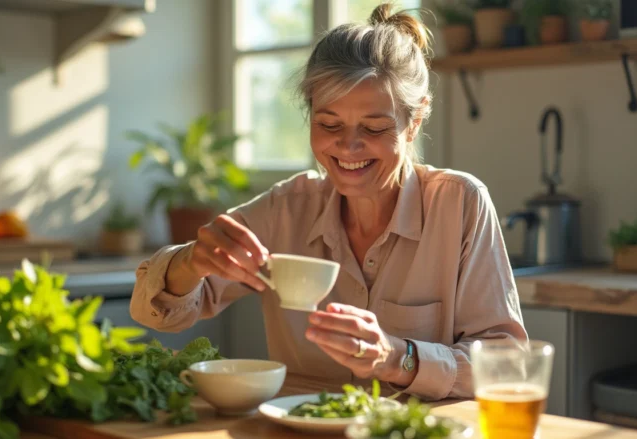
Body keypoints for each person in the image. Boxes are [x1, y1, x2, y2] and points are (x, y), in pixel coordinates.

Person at [130, 2, 527, 401]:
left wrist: (398, 358)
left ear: (414, 123)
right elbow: (159, 312)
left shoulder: (460, 204)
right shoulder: (286, 209)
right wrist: (191, 261)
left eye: (373, 127)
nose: (348, 146)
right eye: (329, 124)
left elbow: (506, 362)